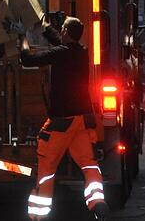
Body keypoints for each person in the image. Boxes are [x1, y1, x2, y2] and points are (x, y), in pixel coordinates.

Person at [20, 17, 108, 220]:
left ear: (67, 31)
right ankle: (98, 203)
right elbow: (61, 44)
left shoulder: (60, 54)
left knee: (47, 170)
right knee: (88, 163)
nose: (60, 31)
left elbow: (27, 59)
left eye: (62, 29)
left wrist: (21, 36)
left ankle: (38, 215)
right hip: (82, 120)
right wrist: (45, 28)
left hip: (61, 122)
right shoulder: (81, 52)